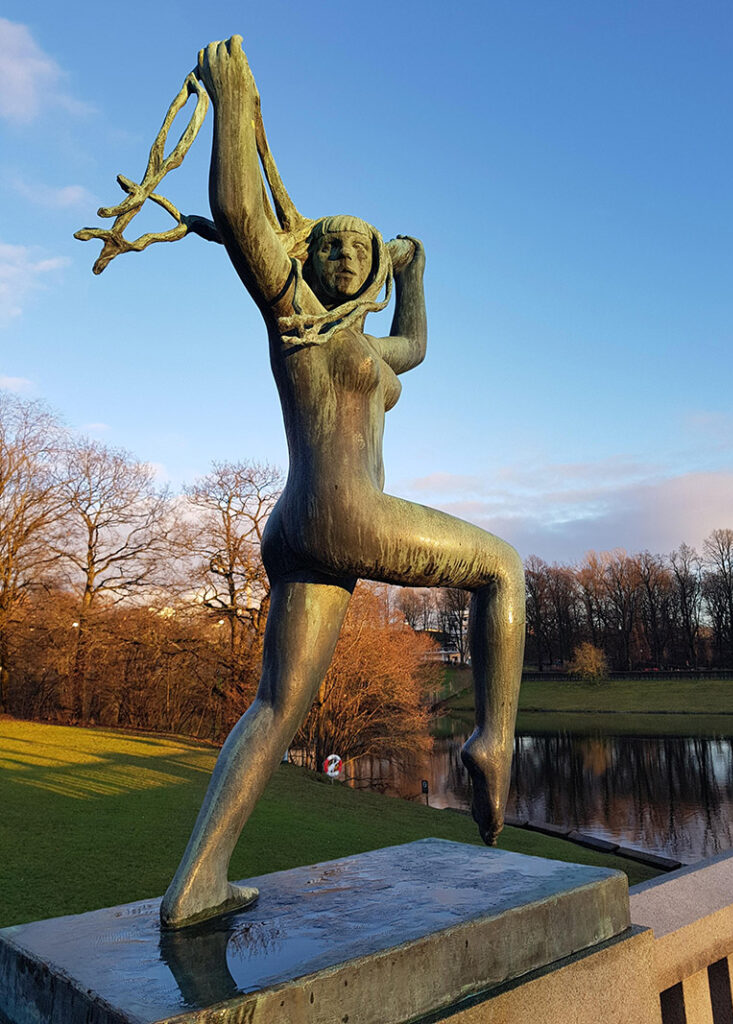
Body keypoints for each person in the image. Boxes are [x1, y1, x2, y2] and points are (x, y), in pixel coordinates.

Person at [160, 36, 525, 930]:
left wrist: (419, 271)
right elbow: (241, 209)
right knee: (506, 567)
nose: (353, 255)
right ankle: (492, 739)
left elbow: (416, 348)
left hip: (304, 533)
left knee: (279, 704)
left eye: (366, 249)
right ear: (309, 256)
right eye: (337, 245)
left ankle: (195, 884)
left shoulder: (359, 343)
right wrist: (236, 98)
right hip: (343, 513)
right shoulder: (297, 318)